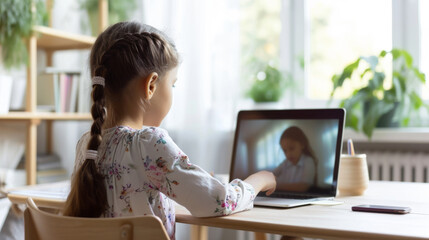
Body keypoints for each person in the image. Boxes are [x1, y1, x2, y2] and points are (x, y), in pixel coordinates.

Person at [63, 21, 276, 239]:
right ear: (151, 86)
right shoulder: (148, 142)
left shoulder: (87, 144)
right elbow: (218, 201)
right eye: (172, 84)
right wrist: (258, 181)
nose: (173, 91)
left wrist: (191, 179)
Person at [273, 126, 317, 192]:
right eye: (285, 150)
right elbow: (272, 175)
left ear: (302, 144)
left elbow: (304, 187)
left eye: (292, 148)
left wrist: (274, 186)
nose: (288, 154)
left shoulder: (308, 161)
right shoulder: (285, 163)